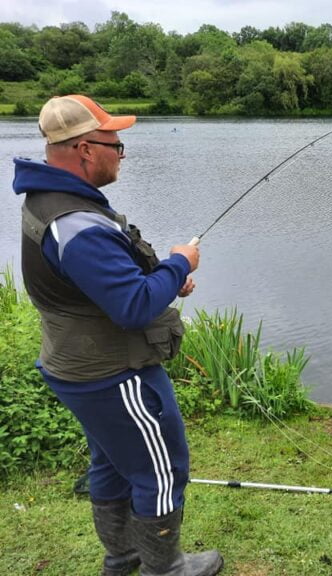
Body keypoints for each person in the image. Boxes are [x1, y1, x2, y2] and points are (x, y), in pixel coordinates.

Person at [13, 95, 223, 576]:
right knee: (162, 469)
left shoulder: (51, 200)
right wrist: (177, 263)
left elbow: (109, 286)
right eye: (117, 144)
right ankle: (165, 567)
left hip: (77, 365)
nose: (121, 153)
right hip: (113, 372)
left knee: (111, 463)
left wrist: (163, 279)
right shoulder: (77, 224)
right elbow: (131, 308)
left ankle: (123, 558)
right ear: (86, 150)